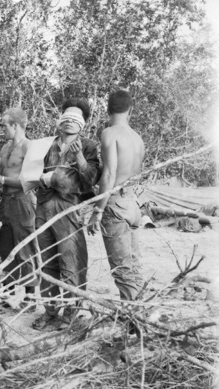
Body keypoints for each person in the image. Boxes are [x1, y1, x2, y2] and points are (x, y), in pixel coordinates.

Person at [30, 98, 101, 330]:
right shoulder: (46, 145)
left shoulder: (88, 146)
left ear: (83, 124)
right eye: (66, 117)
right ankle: (51, 312)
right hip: (43, 207)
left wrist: (79, 157)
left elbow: (92, 179)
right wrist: (40, 178)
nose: (70, 122)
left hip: (69, 208)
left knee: (71, 260)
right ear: (60, 120)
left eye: (76, 118)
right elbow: (30, 172)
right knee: (48, 261)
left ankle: (70, 312)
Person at [87, 90, 145, 317]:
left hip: (115, 204)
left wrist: (98, 210)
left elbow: (109, 174)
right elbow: (134, 173)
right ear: (131, 109)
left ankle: (134, 321)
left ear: (107, 110)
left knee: (122, 268)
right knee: (134, 264)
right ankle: (139, 311)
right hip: (132, 203)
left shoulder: (110, 133)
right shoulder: (138, 138)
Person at [0, 107, 37, 300]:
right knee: (5, 248)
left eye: (4, 125)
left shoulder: (28, 147)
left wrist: (3, 180)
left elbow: (32, 180)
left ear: (15, 125)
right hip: (5, 203)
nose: (1, 129)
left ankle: (30, 297)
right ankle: (8, 295)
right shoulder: (6, 147)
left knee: (25, 248)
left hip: (22, 202)